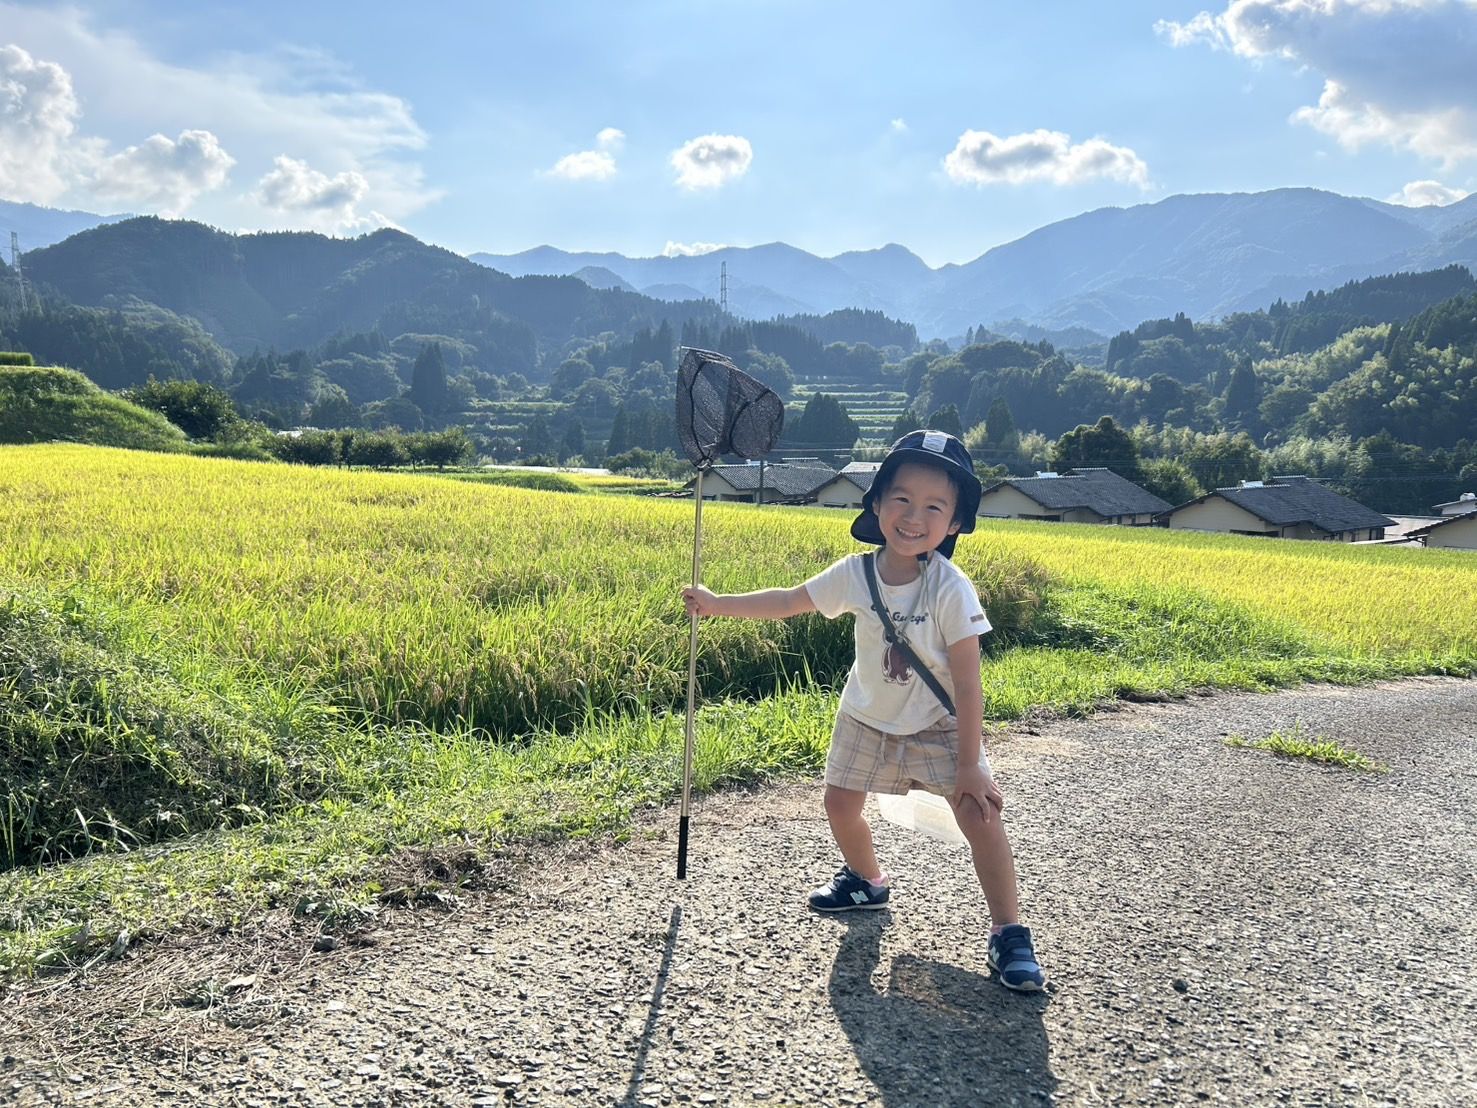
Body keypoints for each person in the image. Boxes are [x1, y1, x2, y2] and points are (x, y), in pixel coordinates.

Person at [682, 429, 1046, 992]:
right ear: (876, 504)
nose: (914, 516)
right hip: (866, 717)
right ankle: (867, 881)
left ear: (954, 522)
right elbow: (789, 600)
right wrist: (716, 604)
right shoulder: (855, 574)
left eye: (934, 506)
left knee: (980, 816)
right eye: (901, 498)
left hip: (938, 723)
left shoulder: (951, 589)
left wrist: (970, 764)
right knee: (839, 804)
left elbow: (969, 684)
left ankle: (1009, 932)